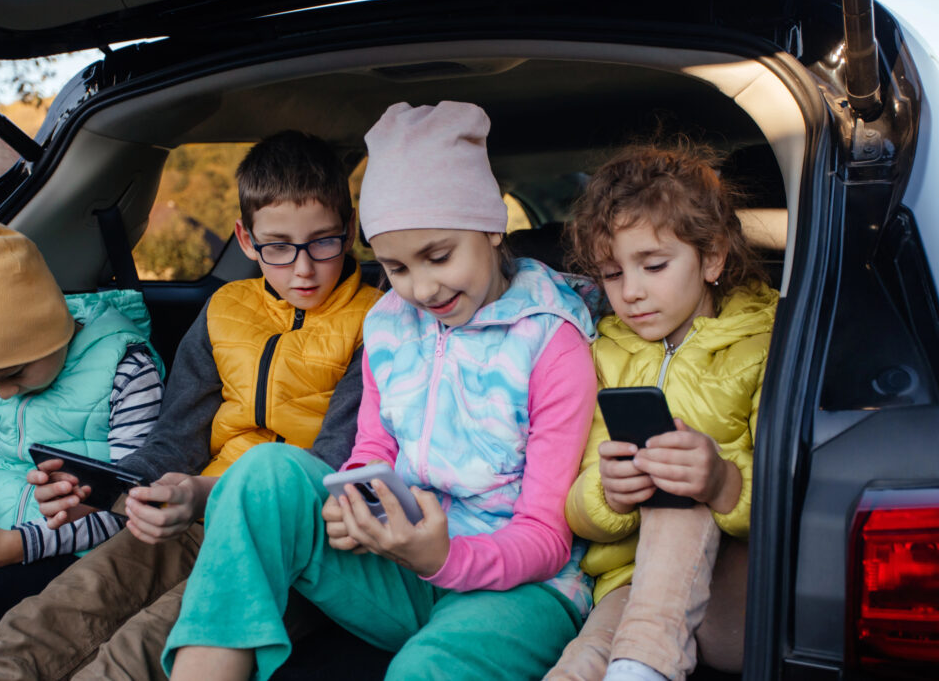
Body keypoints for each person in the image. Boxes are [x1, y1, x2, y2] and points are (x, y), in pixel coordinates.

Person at [162, 100, 600, 681]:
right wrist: (356, 507)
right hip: (402, 566)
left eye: (438, 256)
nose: (420, 289)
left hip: (525, 590)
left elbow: (547, 535)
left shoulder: (552, 341)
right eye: (394, 267)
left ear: (493, 226)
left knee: (425, 667)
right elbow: (370, 453)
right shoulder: (389, 324)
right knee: (264, 472)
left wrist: (444, 557)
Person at [0, 131, 382, 681]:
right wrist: (104, 486)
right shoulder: (225, 309)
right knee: (53, 616)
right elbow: (175, 438)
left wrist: (198, 496)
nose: (303, 269)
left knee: (140, 649)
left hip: (290, 541)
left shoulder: (376, 323)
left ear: (351, 231)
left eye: (323, 242)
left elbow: (328, 469)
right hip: (195, 514)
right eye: (278, 246)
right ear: (245, 240)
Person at [545, 144, 778, 681]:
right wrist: (606, 493)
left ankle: (645, 663)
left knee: (682, 483)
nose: (631, 293)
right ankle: (634, 664)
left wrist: (719, 481)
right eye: (610, 274)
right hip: (628, 583)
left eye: (653, 265)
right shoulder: (602, 352)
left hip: (736, 587)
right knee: (583, 659)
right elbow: (576, 506)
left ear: (713, 257)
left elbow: (787, 494)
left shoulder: (767, 342)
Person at [0, 222, 165, 680]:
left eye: (14, 373)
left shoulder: (126, 369)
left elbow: (131, 505)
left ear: (49, 327)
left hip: (71, 555)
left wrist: (18, 547)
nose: (4, 394)